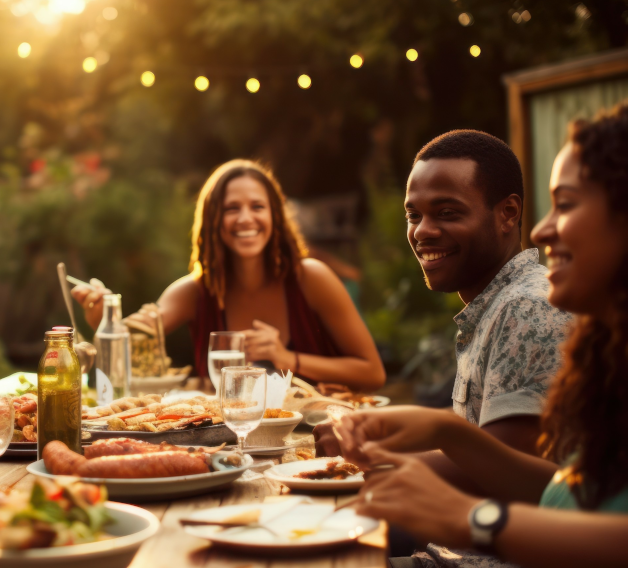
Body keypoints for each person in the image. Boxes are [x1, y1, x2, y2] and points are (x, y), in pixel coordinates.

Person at [336, 105, 628, 568]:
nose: (543, 229)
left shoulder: (529, 307)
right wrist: (443, 430)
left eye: (567, 204)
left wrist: (476, 518)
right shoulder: (606, 352)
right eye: (414, 214)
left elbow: (508, 492)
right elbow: (568, 491)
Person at [316, 131, 572, 495]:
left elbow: (497, 471)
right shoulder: (493, 304)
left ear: (508, 213)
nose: (422, 231)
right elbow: (470, 453)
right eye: (413, 215)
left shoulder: (528, 308)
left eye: (446, 213)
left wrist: (356, 458)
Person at [73, 159, 385, 390]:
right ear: (213, 220)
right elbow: (130, 345)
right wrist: (102, 321)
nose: (245, 218)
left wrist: (286, 358)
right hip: (225, 443)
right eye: (231, 208)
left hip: (317, 440)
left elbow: (373, 374)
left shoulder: (311, 278)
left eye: (257, 206)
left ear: (275, 216)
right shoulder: (193, 292)